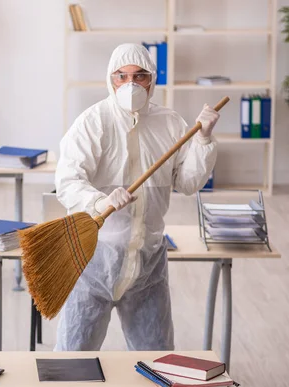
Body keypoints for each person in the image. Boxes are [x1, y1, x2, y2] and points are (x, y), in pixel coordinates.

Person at [54, 43, 219, 351]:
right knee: (72, 363)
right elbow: (67, 180)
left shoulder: (170, 123)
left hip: (148, 265)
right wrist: (99, 202)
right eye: (122, 77)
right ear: (110, 79)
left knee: (156, 362)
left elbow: (187, 182)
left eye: (139, 76)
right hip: (92, 260)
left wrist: (203, 140)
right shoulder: (93, 122)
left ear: (151, 80)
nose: (130, 85)